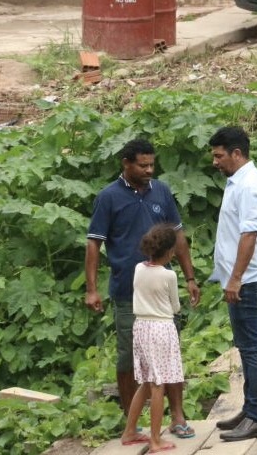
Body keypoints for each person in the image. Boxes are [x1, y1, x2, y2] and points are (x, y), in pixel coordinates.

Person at [85, 138, 201, 439]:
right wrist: (92, 289)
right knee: (127, 359)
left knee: (170, 356)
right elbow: (94, 243)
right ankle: (131, 423)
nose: (149, 170)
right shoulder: (108, 197)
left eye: (152, 164)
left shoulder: (161, 190)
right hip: (127, 293)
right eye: (142, 165)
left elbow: (178, 236)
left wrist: (189, 277)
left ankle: (177, 416)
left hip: (161, 293)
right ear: (126, 163)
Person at [208, 126, 257, 442]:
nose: (215, 162)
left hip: (249, 281)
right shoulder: (238, 182)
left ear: (237, 153)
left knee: (252, 349)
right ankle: (251, 410)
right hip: (242, 281)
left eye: (219, 156)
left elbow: (249, 235)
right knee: (246, 347)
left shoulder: (250, 185)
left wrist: (236, 278)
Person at [118, 223, 187, 452]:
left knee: (147, 382)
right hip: (160, 329)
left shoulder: (139, 268)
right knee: (159, 385)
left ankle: (130, 431)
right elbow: (175, 306)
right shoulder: (169, 275)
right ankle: (156, 440)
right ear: (169, 252)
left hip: (141, 327)